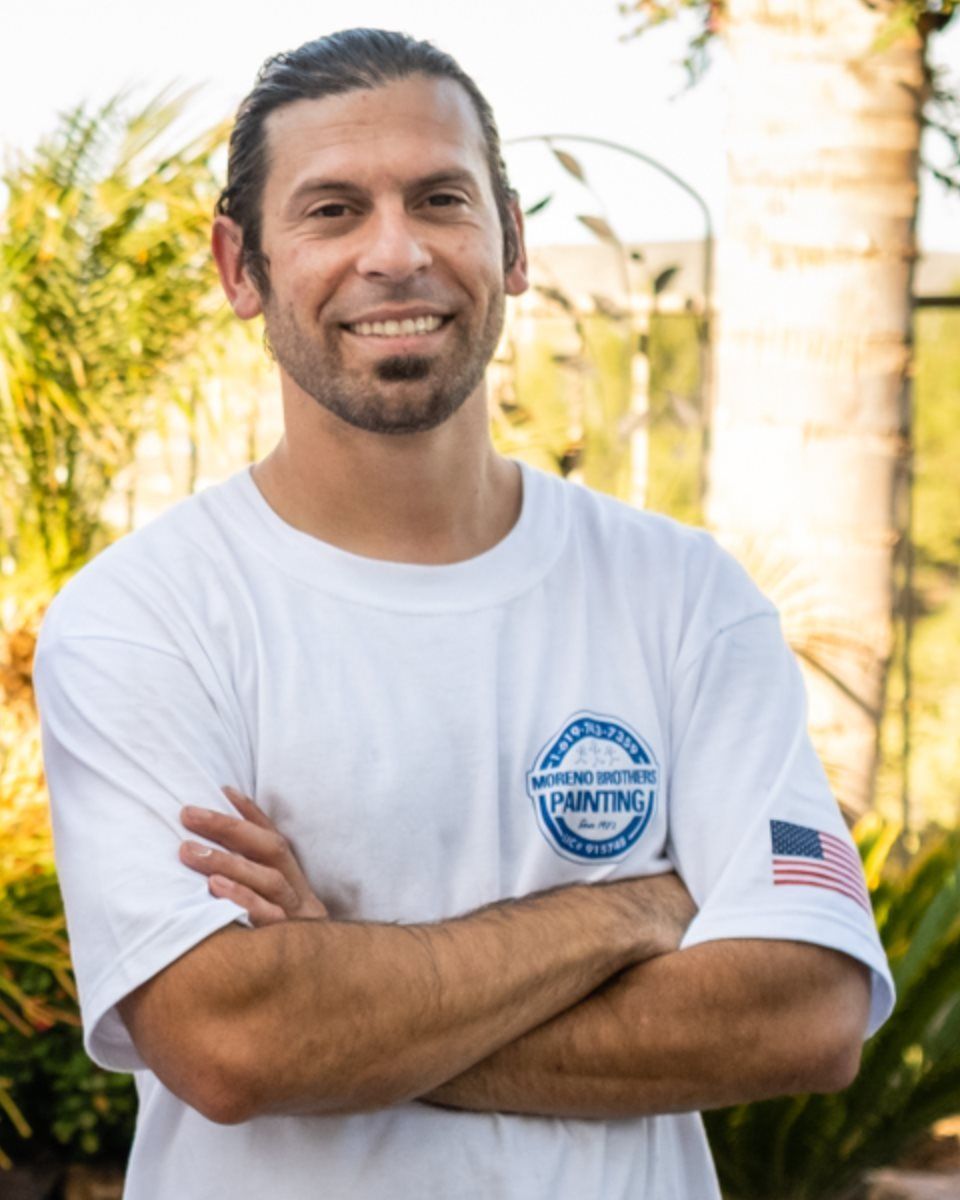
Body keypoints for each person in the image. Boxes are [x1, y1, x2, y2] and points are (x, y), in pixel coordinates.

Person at [34, 27, 894, 1200]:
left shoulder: (685, 598)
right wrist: (631, 911)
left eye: (441, 198)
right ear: (242, 268)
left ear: (514, 242)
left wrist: (344, 993)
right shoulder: (148, 618)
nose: (397, 254)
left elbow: (806, 1013)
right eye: (332, 211)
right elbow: (233, 1043)